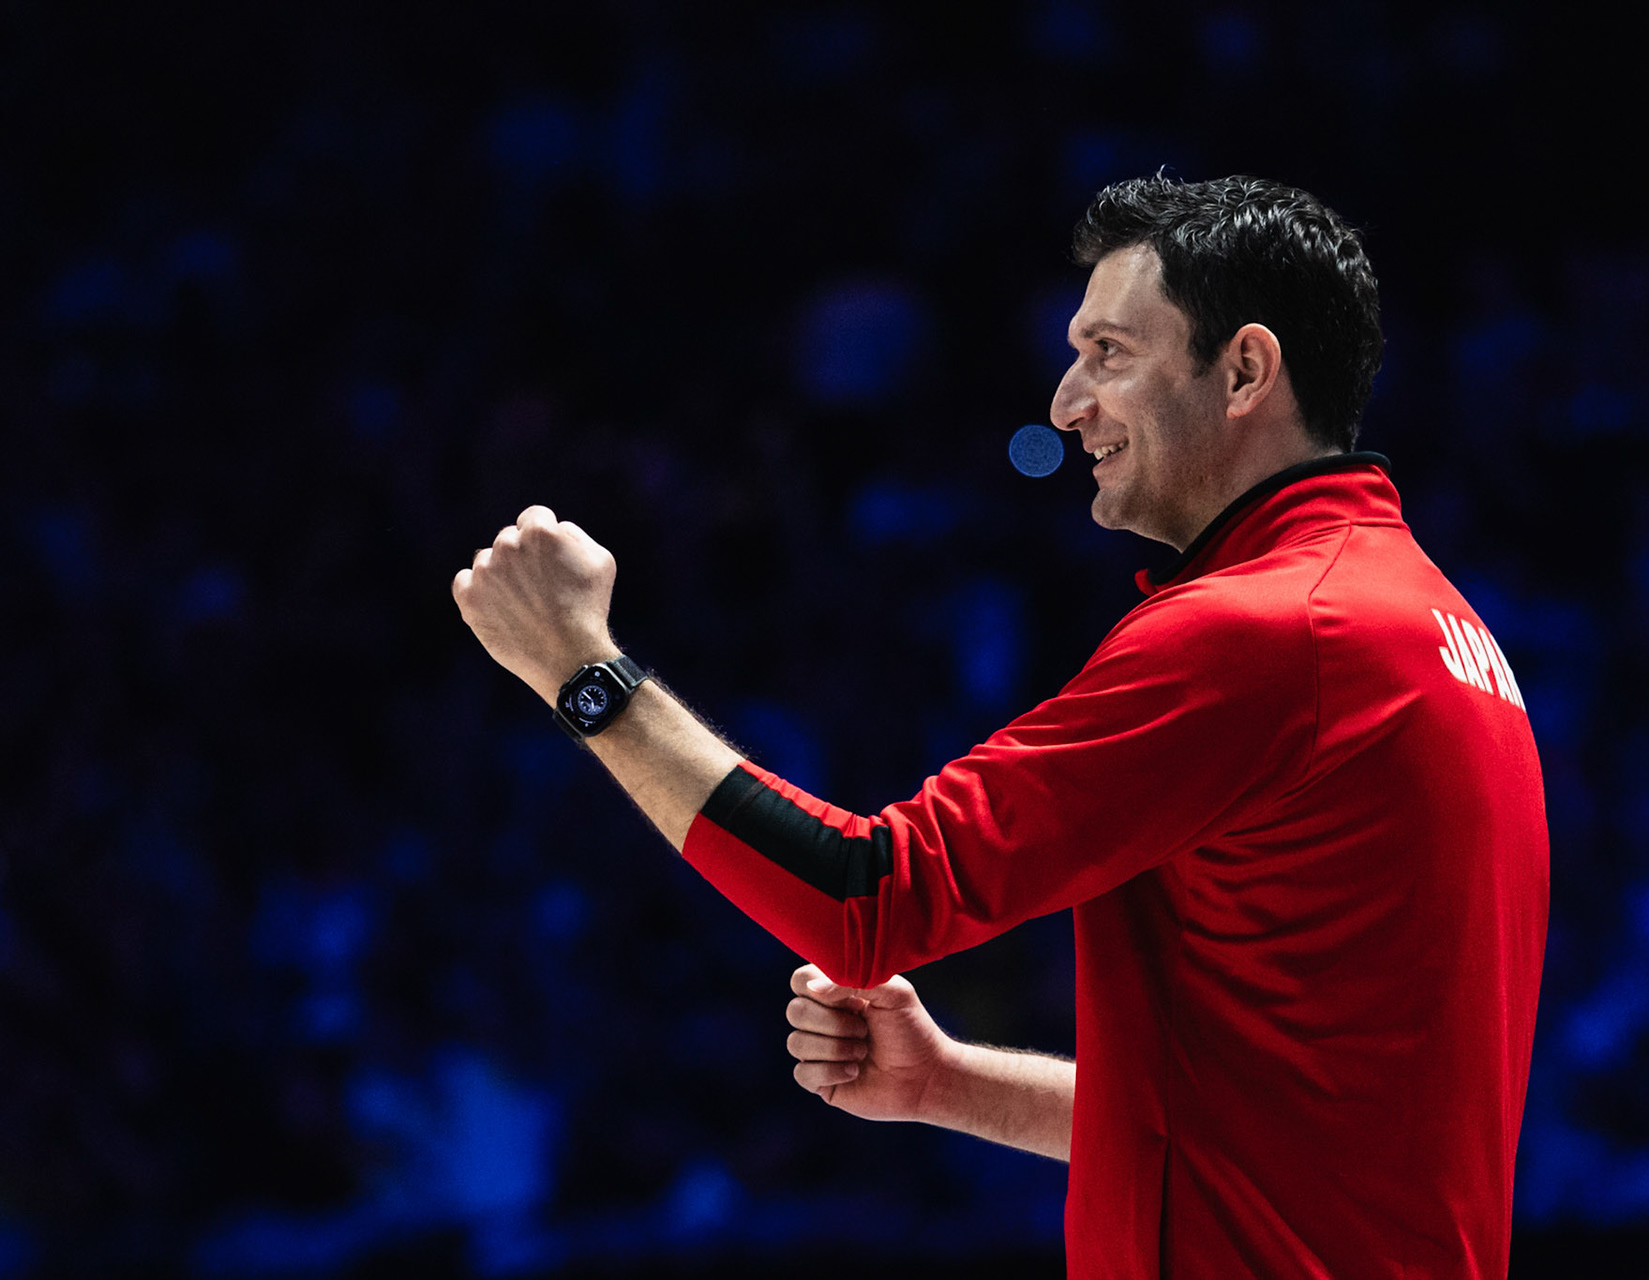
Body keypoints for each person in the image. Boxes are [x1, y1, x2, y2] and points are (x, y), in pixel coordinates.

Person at [452, 174, 1550, 1278]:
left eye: (1110, 353)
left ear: (1245, 371)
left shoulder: (1263, 636)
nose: (1068, 401)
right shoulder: (1441, 631)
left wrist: (580, 670)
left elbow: (862, 897)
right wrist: (949, 1084)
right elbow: (1289, 1123)